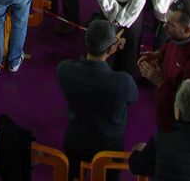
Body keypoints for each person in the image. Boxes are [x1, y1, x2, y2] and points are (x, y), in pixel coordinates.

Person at [57, 18, 138, 179]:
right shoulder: (123, 81)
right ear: (111, 48)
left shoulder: (64, 69)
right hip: (108, 147)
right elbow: (133, 99)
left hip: (75, 140)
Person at [138, 0, 190, 132]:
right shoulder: (181, 38)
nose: (164, 26)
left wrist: (160, 82)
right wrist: (160, 54)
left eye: (171, 25)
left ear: (188, 29)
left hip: (177, 132)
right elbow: (172, 44)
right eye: (166, 21)